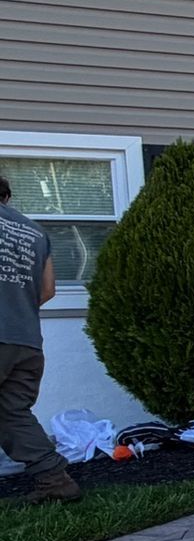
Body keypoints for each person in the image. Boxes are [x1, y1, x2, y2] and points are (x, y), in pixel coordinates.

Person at [0, 174, 82, 502]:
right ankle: (55, 482)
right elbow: (47, 290)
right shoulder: (34, 230)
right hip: (26, 341)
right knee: (11, 412)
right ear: (6, 197)